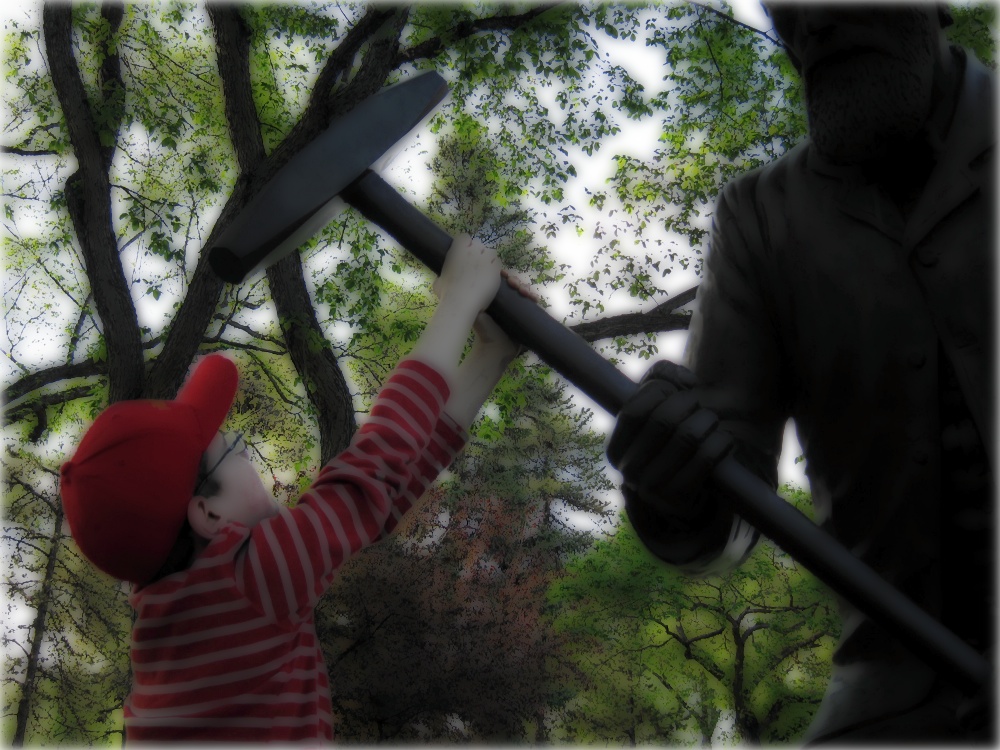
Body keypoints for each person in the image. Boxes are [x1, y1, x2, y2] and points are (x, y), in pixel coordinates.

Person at [607, 4, 993, 743]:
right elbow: (727, 510)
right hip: (887, 716)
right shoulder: (757, 217)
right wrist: (673, 487)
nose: (811, 15)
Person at [60, 235, 532, 743]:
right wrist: (458, 301)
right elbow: (373, 468)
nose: (250, 457)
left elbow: (375, 502)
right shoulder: (248, 579)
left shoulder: (175, 613)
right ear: (208, 514)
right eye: (236, 450)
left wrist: (491, 354)